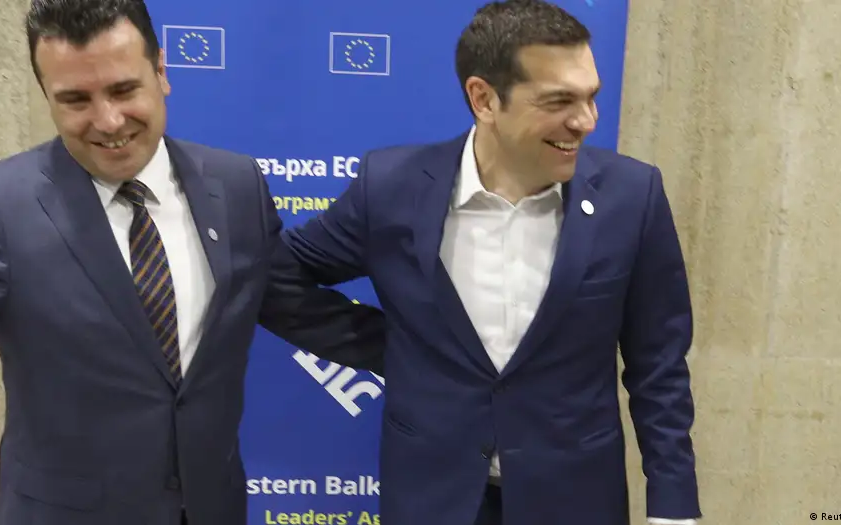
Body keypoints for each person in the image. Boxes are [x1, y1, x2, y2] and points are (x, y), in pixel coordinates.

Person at [0, 1, 384, 524]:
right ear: (46, 95)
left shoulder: (236, 185)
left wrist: (429, 351)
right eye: (76, 100)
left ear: (161, 71)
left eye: (124, 89)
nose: (109, 120)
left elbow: (296, 308)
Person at [278, 1, 700, 524]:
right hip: (434, 499)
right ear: (484, 99)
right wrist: (391, 346)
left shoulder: (632, 196)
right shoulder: (391, 189)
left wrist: (673, 507)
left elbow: (659, 364)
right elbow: (276, 277)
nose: (586, 121)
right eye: (559, 101)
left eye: (591, 96)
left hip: (574, 500)